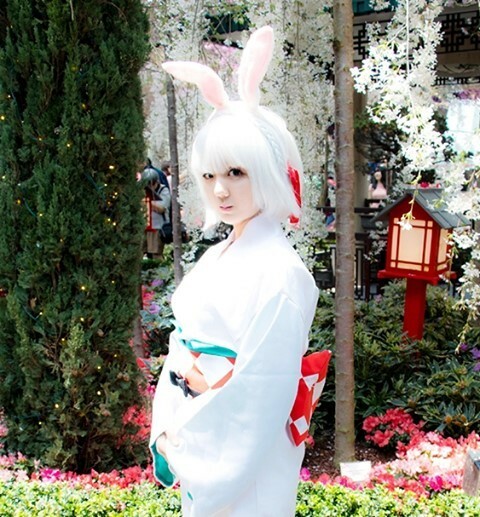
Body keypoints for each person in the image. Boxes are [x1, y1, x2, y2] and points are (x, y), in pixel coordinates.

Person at [149, 26, 330, 516]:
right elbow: (181, 345)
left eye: (236, 172)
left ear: (268, 171)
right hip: (197, 424)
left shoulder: (281, 272)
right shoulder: (219, 254)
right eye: (209, 175)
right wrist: (169, 425)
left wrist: (186, 441)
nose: (220, 190)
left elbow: (261, 389)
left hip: (244, 450)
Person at [142, 167, 171, 259]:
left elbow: (162, 208)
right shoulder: (141, 190)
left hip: (157, 227)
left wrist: (147, 201)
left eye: (152, 184)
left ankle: (159, 267)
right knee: (140, 252)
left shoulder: (163, 190)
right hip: (143, 226)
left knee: (156, 253)